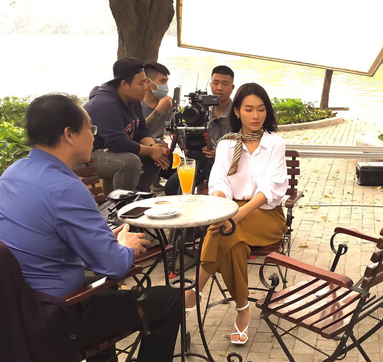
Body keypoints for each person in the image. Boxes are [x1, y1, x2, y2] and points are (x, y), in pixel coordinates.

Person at [0, 93, 182, 362]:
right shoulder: (65, 188)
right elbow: (114, 266)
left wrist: (105, 243)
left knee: (104, 288)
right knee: (169, 300)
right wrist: (125, 247)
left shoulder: (12, 174)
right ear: (69, 135)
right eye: (90, 128)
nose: (95, 137)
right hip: (55, 315)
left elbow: (44, 237)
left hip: (15, 308)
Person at [183, 83, 288, 346]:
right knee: (232, 243)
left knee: (225, 230)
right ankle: (243, 308)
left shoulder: (275, 144)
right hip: (232, 214)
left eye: (261, 109)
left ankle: (195, 289)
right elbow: (219, 182)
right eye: (249, 109)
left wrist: (234, 217)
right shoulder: (227, 144)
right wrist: (222, 209)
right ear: (237, 111)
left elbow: (269, 189)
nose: (256, 115)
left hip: (266, 215)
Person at [84, 57, 170, 191]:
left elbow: (142, 129)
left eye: (145, 82)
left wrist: (153, 147)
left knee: (159, 146)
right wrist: (151, 150)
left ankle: (140, 193)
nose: (145, 87)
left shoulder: (133, 99)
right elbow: (117, 143)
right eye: (141, 84)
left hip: (112, 150)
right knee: (129, 161)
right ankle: (122, 200)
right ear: (124, 84)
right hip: (88, 156)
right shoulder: (105, 105)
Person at [164, 65, 235, 195]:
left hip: (227, 163)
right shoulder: (199, 109)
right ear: (211, 84)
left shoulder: (237, 112)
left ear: (232, 87)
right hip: (198, 158)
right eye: (215, 83)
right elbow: (182, 133)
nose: (219, 88)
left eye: (225, 84)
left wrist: (220, 152)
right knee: (172, 187)